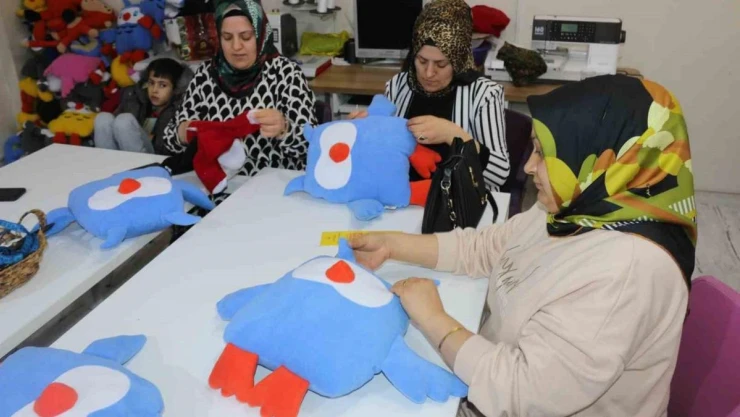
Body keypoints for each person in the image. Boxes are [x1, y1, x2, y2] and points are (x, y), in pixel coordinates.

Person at [349, 75, 696, 416]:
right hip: (494, 374)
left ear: (601, 159)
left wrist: (433, 318)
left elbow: (521, 394)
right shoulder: (579, 206)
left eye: (544, 154)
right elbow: (486, 248)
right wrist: (392, 245)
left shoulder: (627, 272)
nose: (529, 166)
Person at [350, 0, 509, 190]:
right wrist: (364, 131)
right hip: (403, 196)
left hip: (459, 200)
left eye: (441, 64)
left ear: (459, 60)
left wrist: (453, 134)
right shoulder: (398, 86)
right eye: (422, 60)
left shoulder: (485, 94)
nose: (429, 73)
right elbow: (386, 151)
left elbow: (500, 174)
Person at [162, 0, 316, 178]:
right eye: (227, 38)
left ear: (260, 34)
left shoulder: (285, 73)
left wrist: (284, 129)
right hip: (217, 183)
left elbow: (311, 145)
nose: (236, 46)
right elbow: (169, 140)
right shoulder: (206, 74)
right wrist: (182, 133)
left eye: (246, 37)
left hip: (271, 185)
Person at [94, 58, 193, 154]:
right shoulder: (135, 97)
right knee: (103, 118)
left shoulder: (182, 108)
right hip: (125, 152)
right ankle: (105, 163)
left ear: (177, 88)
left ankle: (135, 165)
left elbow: (176, 149)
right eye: (151, 83)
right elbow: (114, 130)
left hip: (157, 158)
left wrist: (148, 137)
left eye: (162, 85)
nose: (154, 90)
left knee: (124, 120)